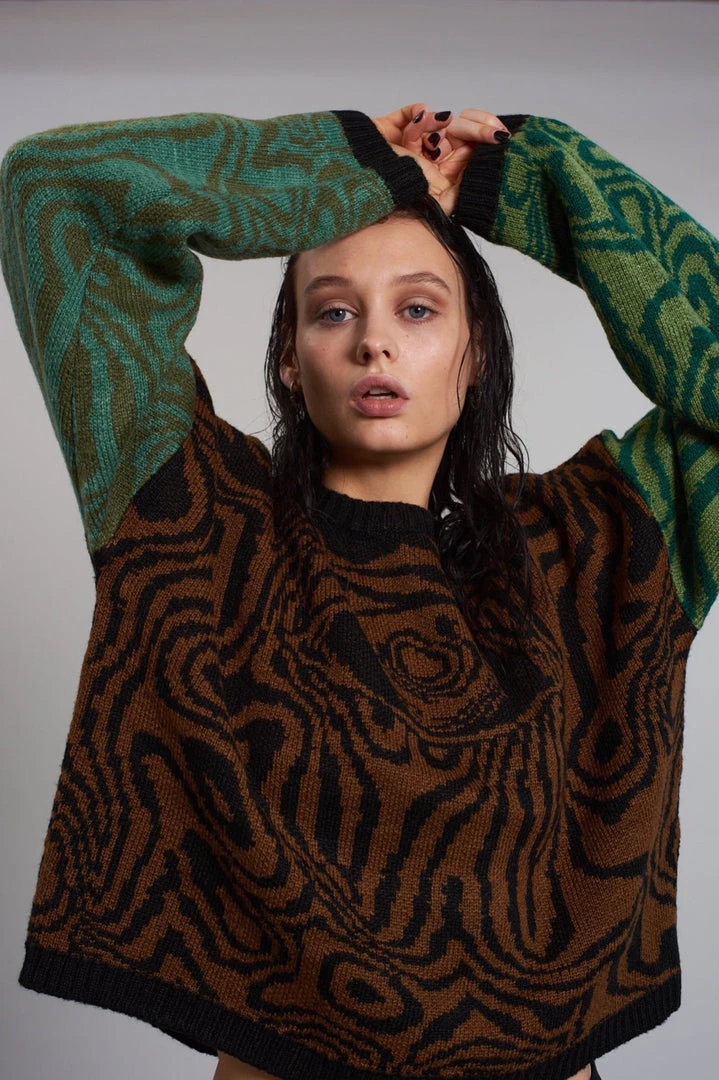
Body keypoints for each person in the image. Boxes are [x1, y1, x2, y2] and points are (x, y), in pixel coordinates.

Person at [0, 97, 716, 1080]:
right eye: (333, 310)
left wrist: (528, 178)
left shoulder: (600, 547)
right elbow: (50, 191)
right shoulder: (191, 516)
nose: (373, 342)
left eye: (417, 309)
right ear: (290, 361)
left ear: (475, 352)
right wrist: (346, 167)